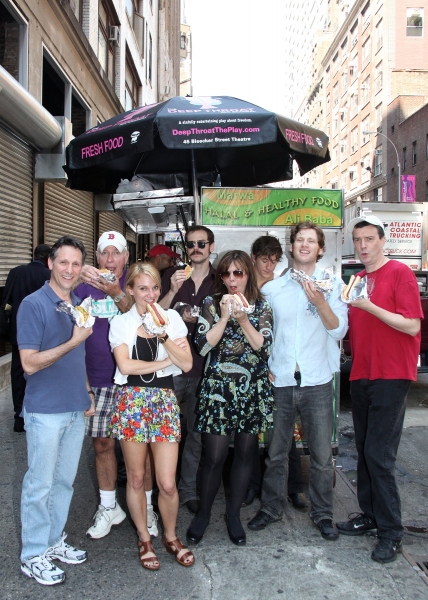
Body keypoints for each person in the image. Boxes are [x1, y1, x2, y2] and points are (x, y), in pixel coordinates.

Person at [248, 222, 348, 540]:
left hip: (317, 381)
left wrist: (319, 301)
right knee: (276, 451)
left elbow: (338, 331)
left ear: (320, 248)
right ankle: (271, 508)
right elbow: (263, 333)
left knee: (320, 456)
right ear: (291, 248)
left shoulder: (333, 285)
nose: (304, 245)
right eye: (299, 240)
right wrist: (264, 364)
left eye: (311, 240)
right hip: (281, 381)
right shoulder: (272, 289)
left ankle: (323, 514)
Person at [336, 215, 423, 563]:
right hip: (361, 374)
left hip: (391, 374)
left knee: (379, 455)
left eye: (369, 239)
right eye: (358, 240)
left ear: (382, 240)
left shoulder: (399, 273)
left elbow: (412, 325)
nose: (363, 246)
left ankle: (391, 532)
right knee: (363, 450)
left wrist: (369, 306)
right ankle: (370, 516)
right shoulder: (356, 278)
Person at [17, 236, 94, 586]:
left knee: (64, 482)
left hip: (74, 407)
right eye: (63, 262)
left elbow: (78, 359)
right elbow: (29, 364)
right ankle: (32, 555)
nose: (70, 270)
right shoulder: (33, 305)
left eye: (76, 264)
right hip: (45, 411)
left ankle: (51, 542)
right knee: (40, 484)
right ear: (50, 263)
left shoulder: (78, 303)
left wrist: (87, 392)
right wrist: (74, 341)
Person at [108, 262, 195, 570]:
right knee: (135, 477)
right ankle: (144, 537)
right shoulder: (121, 323)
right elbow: (126, 367)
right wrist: (164, 364)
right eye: (142, 288)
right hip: (132, 401)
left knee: (168, 483)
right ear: (130, 290)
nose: (150, 294)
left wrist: (163, 337)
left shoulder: (171, 319)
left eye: (155, 288)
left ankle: (171, 537)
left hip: (164, 402)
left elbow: (186, 364)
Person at [186, 250, 275, 546]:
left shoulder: (261, 306)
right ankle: (204, 514)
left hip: (251, 389)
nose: (233, 279)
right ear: (220, 277)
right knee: (214, 456)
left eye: (239, 273)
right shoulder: (210, 303)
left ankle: (233, 515)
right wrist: (225, 317)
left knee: (246, 454)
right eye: (226, 274)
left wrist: (244, 319)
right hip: (218, 390)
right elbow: (201, 347)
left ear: (248, 274)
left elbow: (263, 348)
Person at [75, 231, 133, 539]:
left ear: (126, 257)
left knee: (138, 449)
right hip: (95, 378)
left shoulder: (136, 281)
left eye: (116, 253)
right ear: (97, 258)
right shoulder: (83, 286)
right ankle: (110, 507)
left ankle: (146, 507)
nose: (110, 259)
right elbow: (57, 282)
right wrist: (77, 272)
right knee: (102, 444)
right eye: (104, 253)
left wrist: (115, 292)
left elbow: (140, 315)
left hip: (132, 379)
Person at [244, 235, 307, 510]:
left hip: (278, 368)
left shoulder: (283, 287)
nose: (268, 265)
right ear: (254, 257)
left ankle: (293, 488)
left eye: (273, 260)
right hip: (250, 368)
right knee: (253, 432)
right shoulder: (245, 287)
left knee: (284, 434)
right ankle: (253, 486)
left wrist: (275, 364)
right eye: (264, 259)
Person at [159, 225, 216, 515]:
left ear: (211, 246)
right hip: (171, 368)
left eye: (201, 243)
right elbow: (156, 312)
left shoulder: (220, 280)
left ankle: (189, 489)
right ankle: (161, 489)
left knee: (195, 434)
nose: (196, 248)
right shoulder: (172, 276)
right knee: (165, 432)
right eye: (191, 244)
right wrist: (171, 290)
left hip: (206, 370)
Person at [2, 244, 51, 432]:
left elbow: (7, 301)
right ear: (49, 259)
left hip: (18, 333)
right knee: (41, 372)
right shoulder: (49, 275)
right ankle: (39, 413)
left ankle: (18, 417)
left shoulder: (16, 272)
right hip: (44, 334)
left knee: (18, 373)